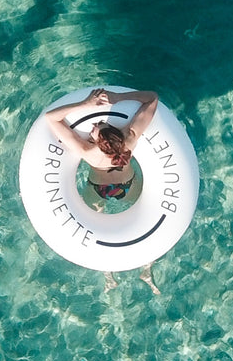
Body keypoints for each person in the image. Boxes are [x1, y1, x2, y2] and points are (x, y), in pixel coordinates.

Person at [46, 87, 161, 292]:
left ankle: (108, 277)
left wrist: (86, 105)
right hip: (129, 185)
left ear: (99, 143)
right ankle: (146, 269)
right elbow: (152, 99)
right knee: (147, 227)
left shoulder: (87, 151)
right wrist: (118, 98)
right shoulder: (130, 138)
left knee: (98, 237)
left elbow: (51, 118)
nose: (94, 124)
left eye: (97, 126)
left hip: (98, 189)